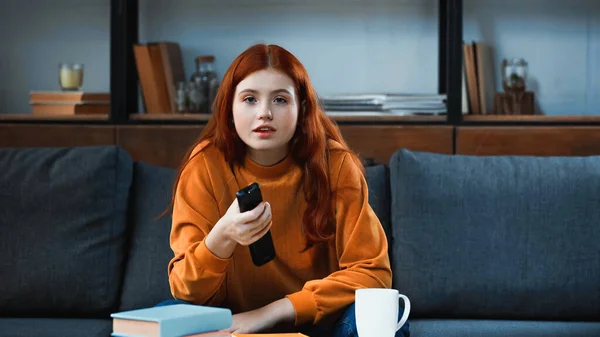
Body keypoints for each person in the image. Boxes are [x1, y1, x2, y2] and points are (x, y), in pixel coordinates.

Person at [163, 43, 409, 337]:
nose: (264, 113)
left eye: (280, 100)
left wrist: (271, 312)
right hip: (232, 325)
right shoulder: (204, 166)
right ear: (229, 107)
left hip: (320, 324)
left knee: (382, 316)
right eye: (250, 99)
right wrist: (222, 236)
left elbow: (374, 274)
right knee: (164, 317)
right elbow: (186, 291)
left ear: (301, 108)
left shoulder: (337, 164)